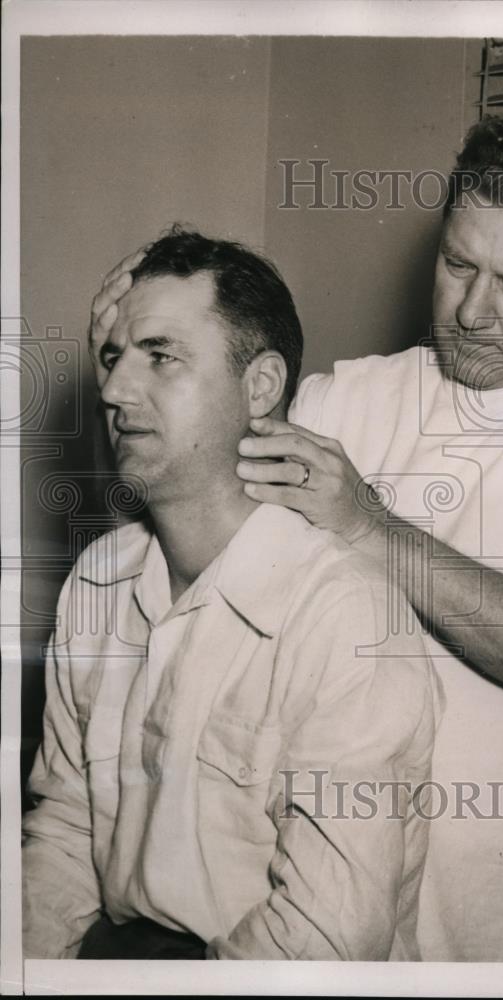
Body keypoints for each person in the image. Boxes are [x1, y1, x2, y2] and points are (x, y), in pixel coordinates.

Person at [91, 114, 503, 962]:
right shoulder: (348, 398)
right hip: (335, 902)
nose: (474, 311)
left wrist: (370, 525)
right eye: (456, 266)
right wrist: (126, 372)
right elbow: (179, 523)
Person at [22, 227, 440, 961]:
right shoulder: (97, 582)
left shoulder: (344, 618)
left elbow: (320, 941)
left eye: (162, 357)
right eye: (114, 358)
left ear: (260, 387)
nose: (115, 390)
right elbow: (64, 832)